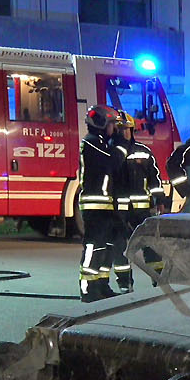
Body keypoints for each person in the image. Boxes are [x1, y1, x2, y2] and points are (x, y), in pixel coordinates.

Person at [78, 104, 128, 302]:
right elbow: (114, 161)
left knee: (106, 246)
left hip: (105, 206)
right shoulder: (91, 143)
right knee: (94, 247)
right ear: (101, 124)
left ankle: (101, 285)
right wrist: (121, 143)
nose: (114, 129)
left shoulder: (100, 143)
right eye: (112, 125)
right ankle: (88, 289)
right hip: (94, 206)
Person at [115, 111, 166, 287]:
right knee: (121, 248)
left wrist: (160, 200)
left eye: (126, 130)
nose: (123, 134)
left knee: (151, 245)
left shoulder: (143, 152)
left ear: (132, 130)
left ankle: (159, 280)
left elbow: (155, 178)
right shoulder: (109, 153)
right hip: (119, 211)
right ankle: (124, 284)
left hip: (142, 210)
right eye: (119, 130)